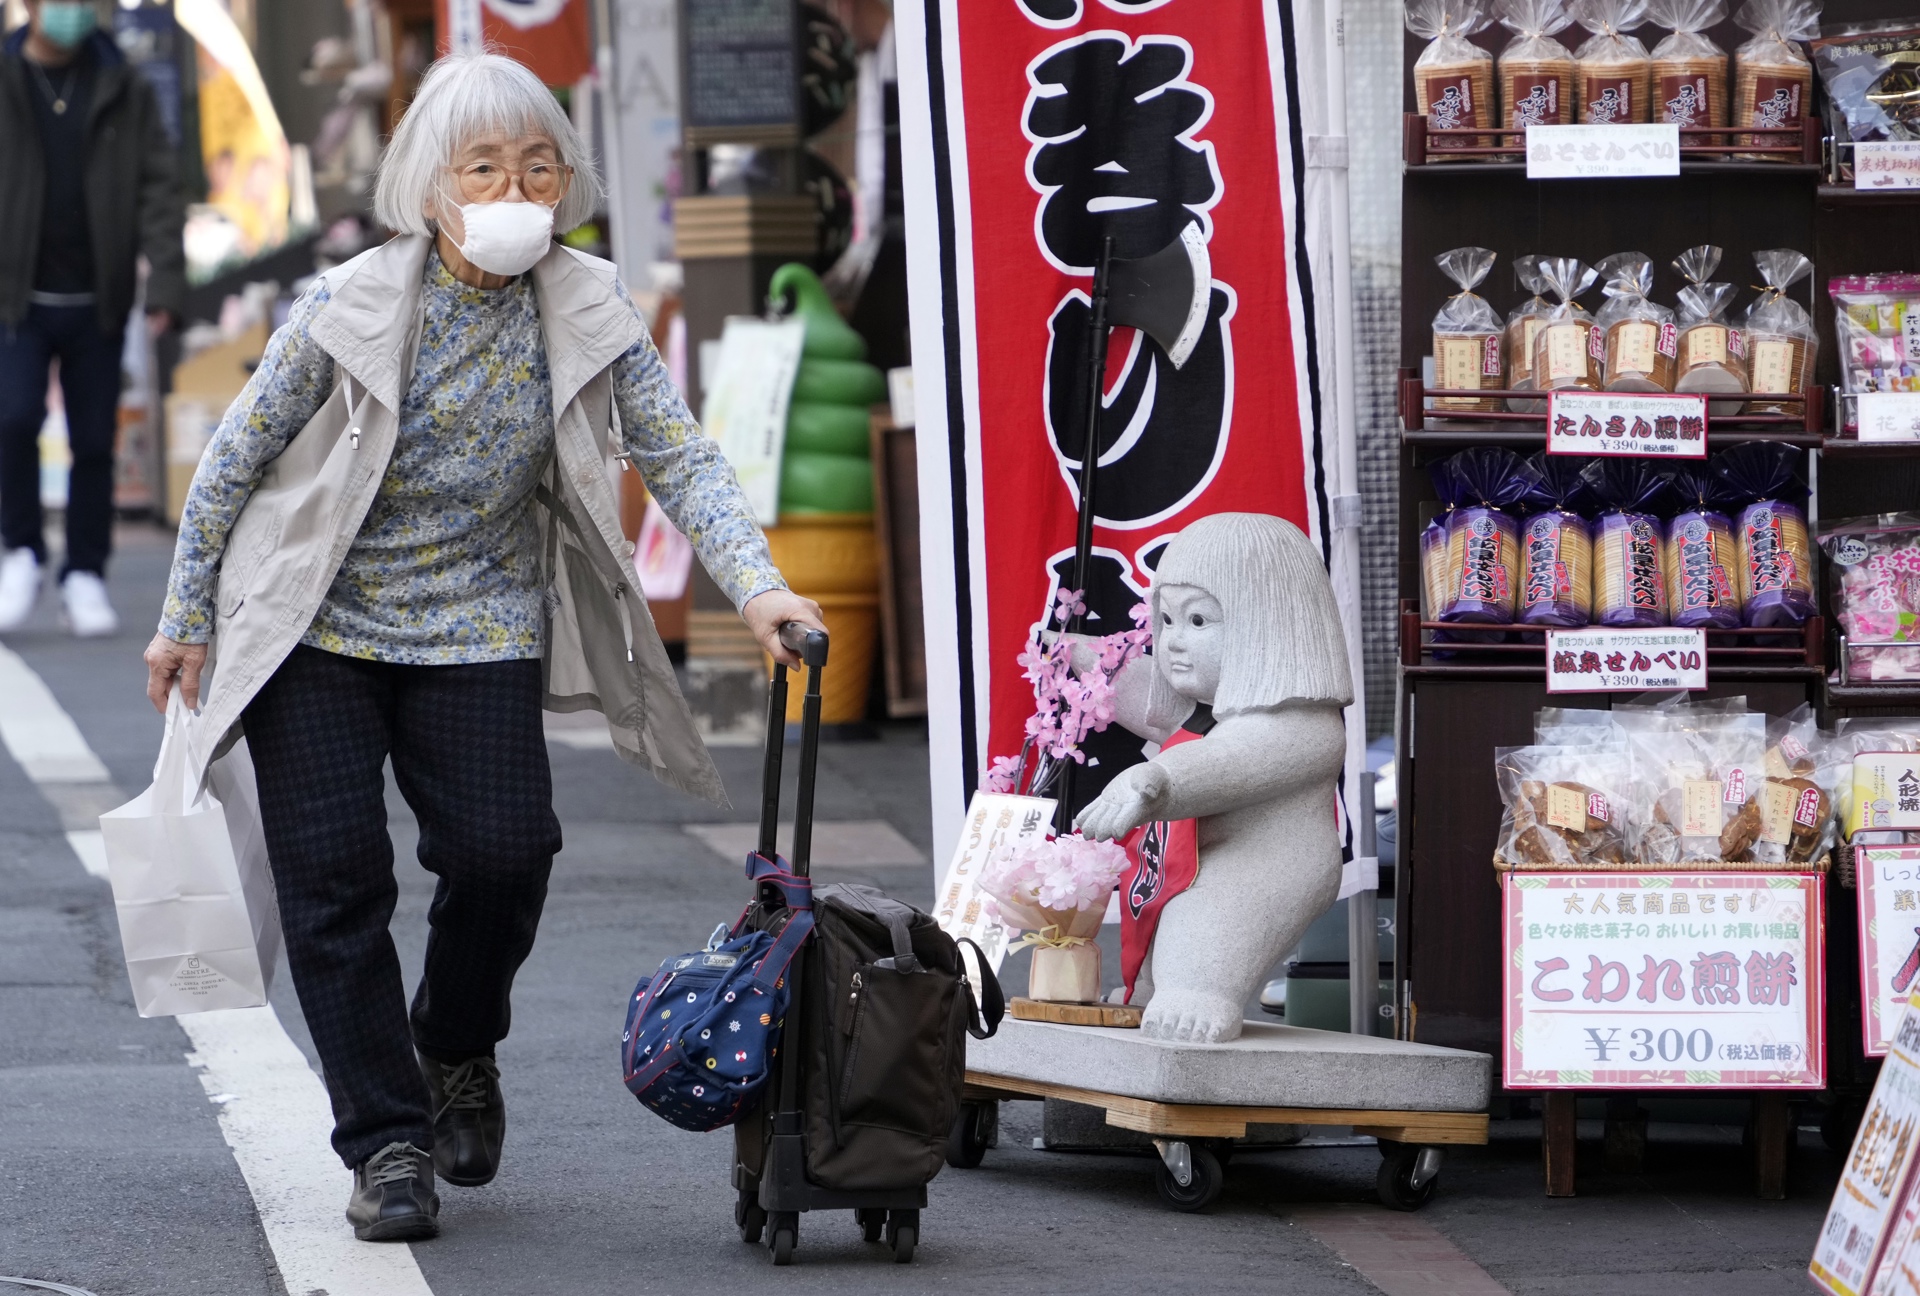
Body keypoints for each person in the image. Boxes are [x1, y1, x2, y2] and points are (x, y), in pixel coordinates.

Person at [141, 52, 824, 1243]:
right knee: (334, 877)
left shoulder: (589, 306)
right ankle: (387, 1142)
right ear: (432, 187)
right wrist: (185, 614)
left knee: (507, 853)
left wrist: (758, 588)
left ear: (568, 181)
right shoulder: (350, 301)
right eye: (485, 167)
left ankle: (454, 1044)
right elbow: (234, 458)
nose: (517, 188)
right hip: (318, 620)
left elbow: (679, 455)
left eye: (539, 165)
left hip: (482, 619)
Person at [0, 0, 184, 635]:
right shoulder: (5, 75)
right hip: (14, 295)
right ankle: (22, 549)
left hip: (99, 295)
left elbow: (159, 186)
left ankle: (85, 573)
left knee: (92, 441)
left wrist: (164, 283)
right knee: (13, 417)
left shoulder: (121, 80)